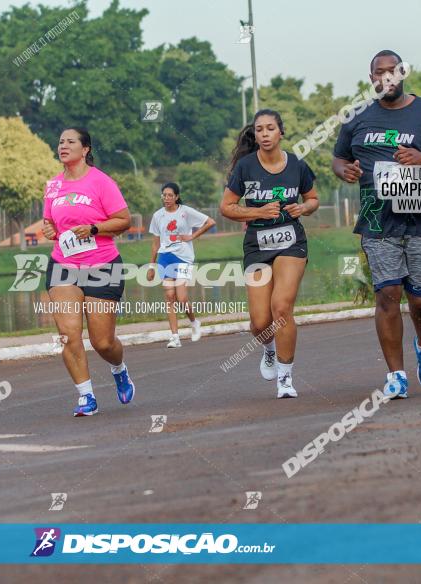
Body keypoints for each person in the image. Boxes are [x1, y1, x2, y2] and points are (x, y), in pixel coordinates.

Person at [332, 50, 421, 399]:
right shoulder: (357, 116)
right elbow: (339, 158)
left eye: (393, 71)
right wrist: (344, 170)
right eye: (380, 72)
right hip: (378, 222)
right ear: (371, 77)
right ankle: (396, 375)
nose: (386, 77)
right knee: (388, 295)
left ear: (403, 73)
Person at [221, 109, 319, 398]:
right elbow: (227, 207)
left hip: (291, 241)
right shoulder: (246, 167)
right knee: (261, 322)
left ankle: (285, 379)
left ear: (281, 132)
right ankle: (269, 349)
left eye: (270, 128)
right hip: (257, 245)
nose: (264, 134)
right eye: (259, 129)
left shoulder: (297, 165)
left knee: (282, 307)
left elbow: (312, 198)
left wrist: (304, 208)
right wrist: (257, 211)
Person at [41, 127, 136, 417]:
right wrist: (49, 229)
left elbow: (123, 220)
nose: (63, 146)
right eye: (60, 141)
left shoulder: (101, 182)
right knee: (69, 334)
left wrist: (94, 228)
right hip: (64, 266)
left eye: (71, 142)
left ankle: (119, 369)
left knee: (103, 342)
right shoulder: (53, 186)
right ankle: (86, 396)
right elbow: (50, 222)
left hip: (101, 265)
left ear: (85, 150)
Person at [146, 182, 216, 348]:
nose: (167, 198)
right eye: (164, 195)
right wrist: (151, 266)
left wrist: (192, 236)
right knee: (170, 297)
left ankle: (194, 323)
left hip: (183, 258)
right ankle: (175, 337)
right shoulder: (158, 216)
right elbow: (155, 243)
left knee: (182, 297)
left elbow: (210, 222)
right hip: (164, 257)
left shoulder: (185, 212)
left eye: (170, 195)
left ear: (177, 197)